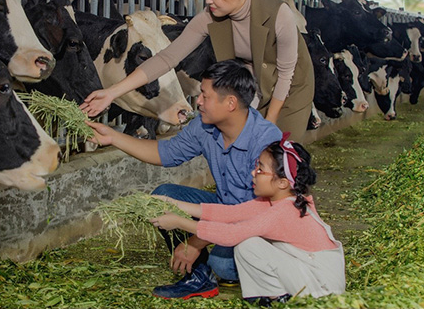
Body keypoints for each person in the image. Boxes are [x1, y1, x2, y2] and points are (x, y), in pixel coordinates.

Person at [87, 60, 283, 299]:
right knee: (163, 198)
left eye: (204, 95)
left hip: (256, 224)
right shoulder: (205, 125)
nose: (197, 101)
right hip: (226, 209)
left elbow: (252, 213)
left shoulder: (265, 140)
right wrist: (114, 138)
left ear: (230, 103)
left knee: (225, 265)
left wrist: (194, 243)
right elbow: (165, 153)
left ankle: (268, 276)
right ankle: (199, 278)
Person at [81, 0, 314, 142]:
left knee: (279, 151)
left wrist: (269, 123)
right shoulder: (208, 17)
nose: (208, 0)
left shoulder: (278, 14)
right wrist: (112, 92)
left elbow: (286, 73)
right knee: (243, 148)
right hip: (250, 85)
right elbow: (166, 58)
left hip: (290, 86)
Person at [150, 136, 346, 306]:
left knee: (247, 244)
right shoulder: (278, 200)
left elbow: (230, 234)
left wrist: (179, 222)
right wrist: (172, 203)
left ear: (282, 182)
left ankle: (279, 300)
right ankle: (273, 298)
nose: (253, 173)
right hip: (308, 274)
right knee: (249, 245)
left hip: (322, 287)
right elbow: (230, 214)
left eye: (260, 169)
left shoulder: (285, 210)